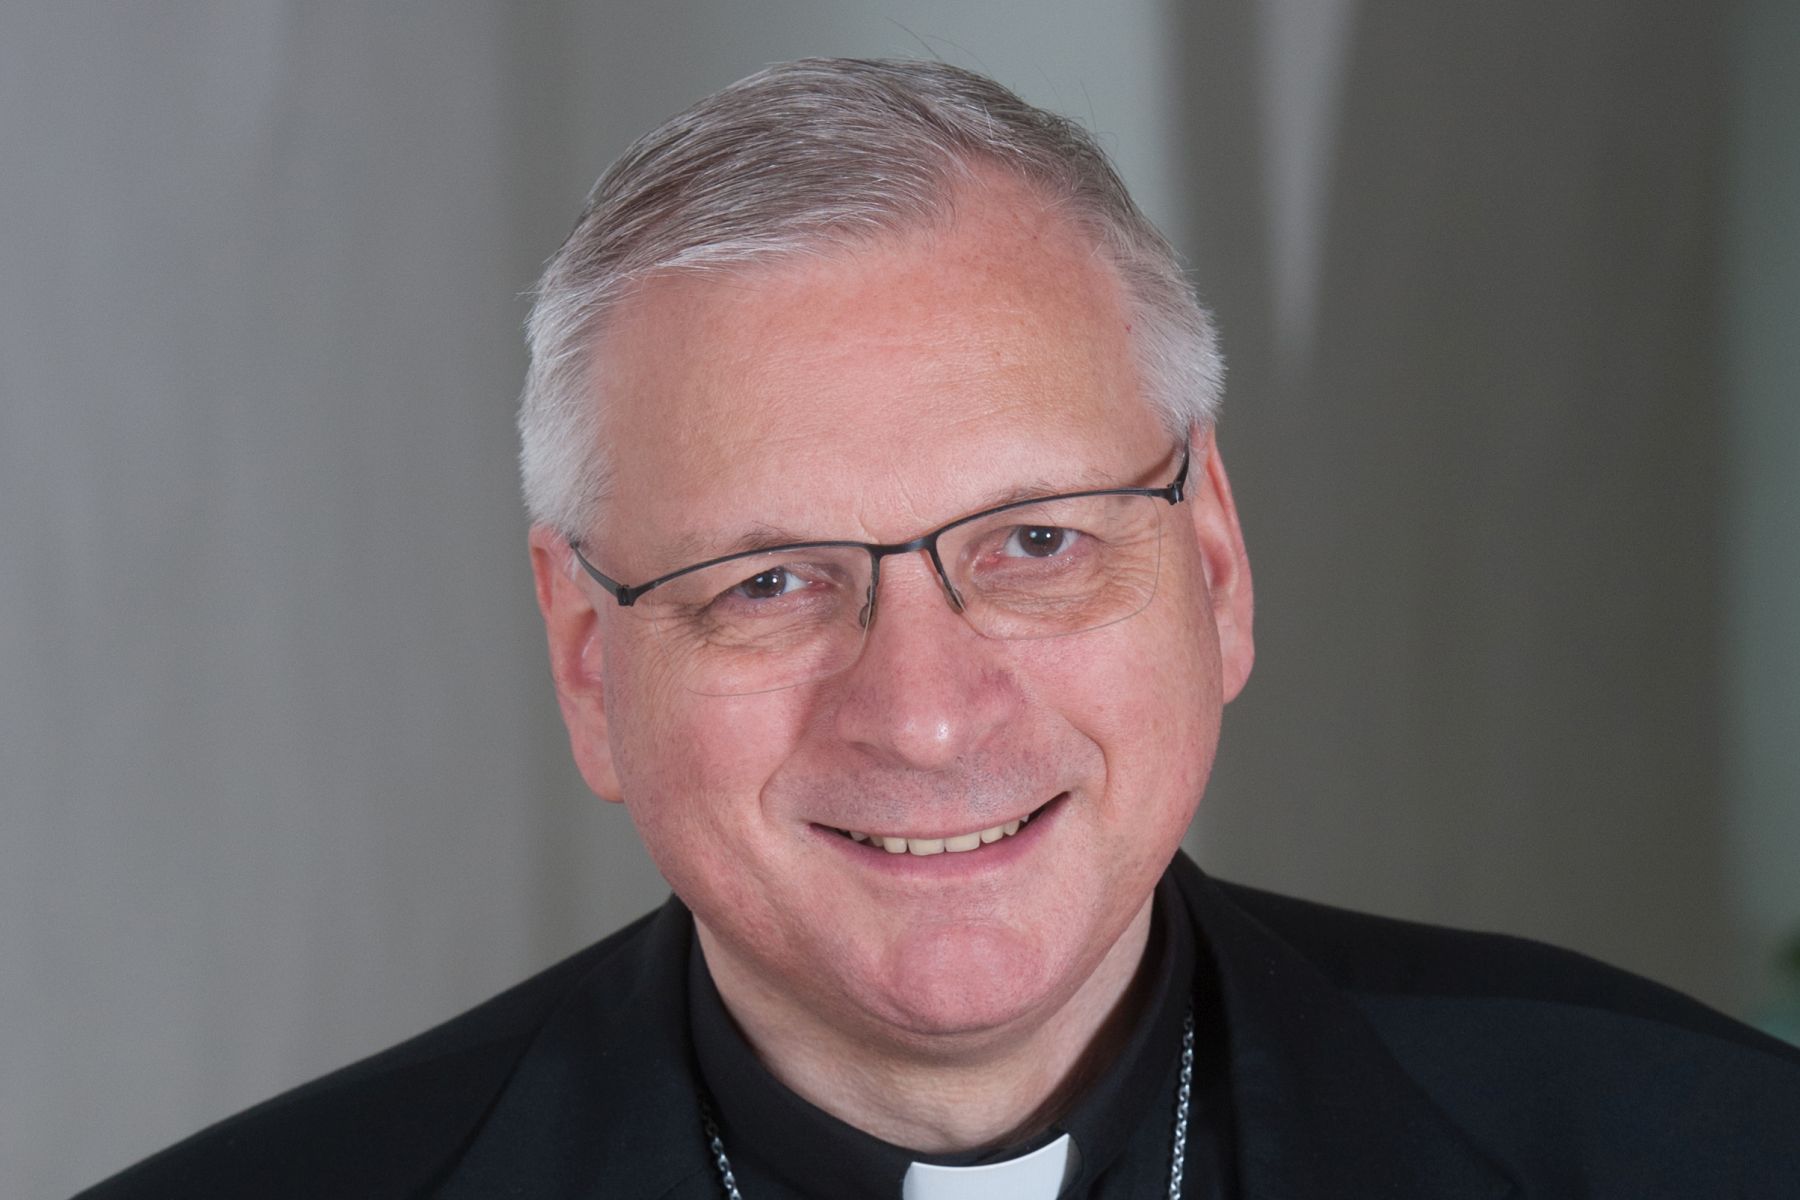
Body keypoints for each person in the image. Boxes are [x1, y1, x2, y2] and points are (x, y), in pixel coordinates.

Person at [81, 58, 1800, 1200]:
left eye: (1037, 541)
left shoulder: (1716, 1153)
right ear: (591, 666)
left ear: (1214, 565)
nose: (922, 712)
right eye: (768, 581)